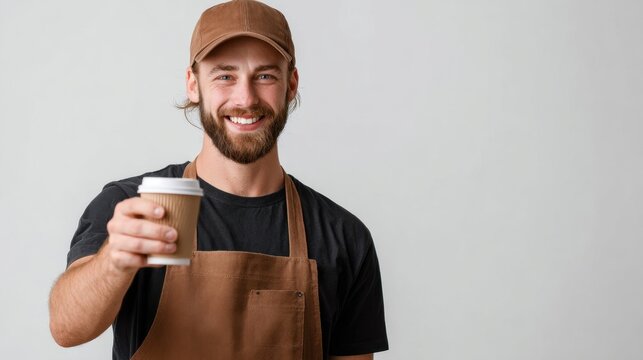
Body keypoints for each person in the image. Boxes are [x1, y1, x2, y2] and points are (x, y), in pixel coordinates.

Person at [48, 1, 388, 359]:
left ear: (291, 84)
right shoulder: (134, 208)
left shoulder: (342, 237)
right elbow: (66, 328)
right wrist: (114, 261)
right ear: (193, 84)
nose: (245, 98)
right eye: (225, 75)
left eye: (265, 76)